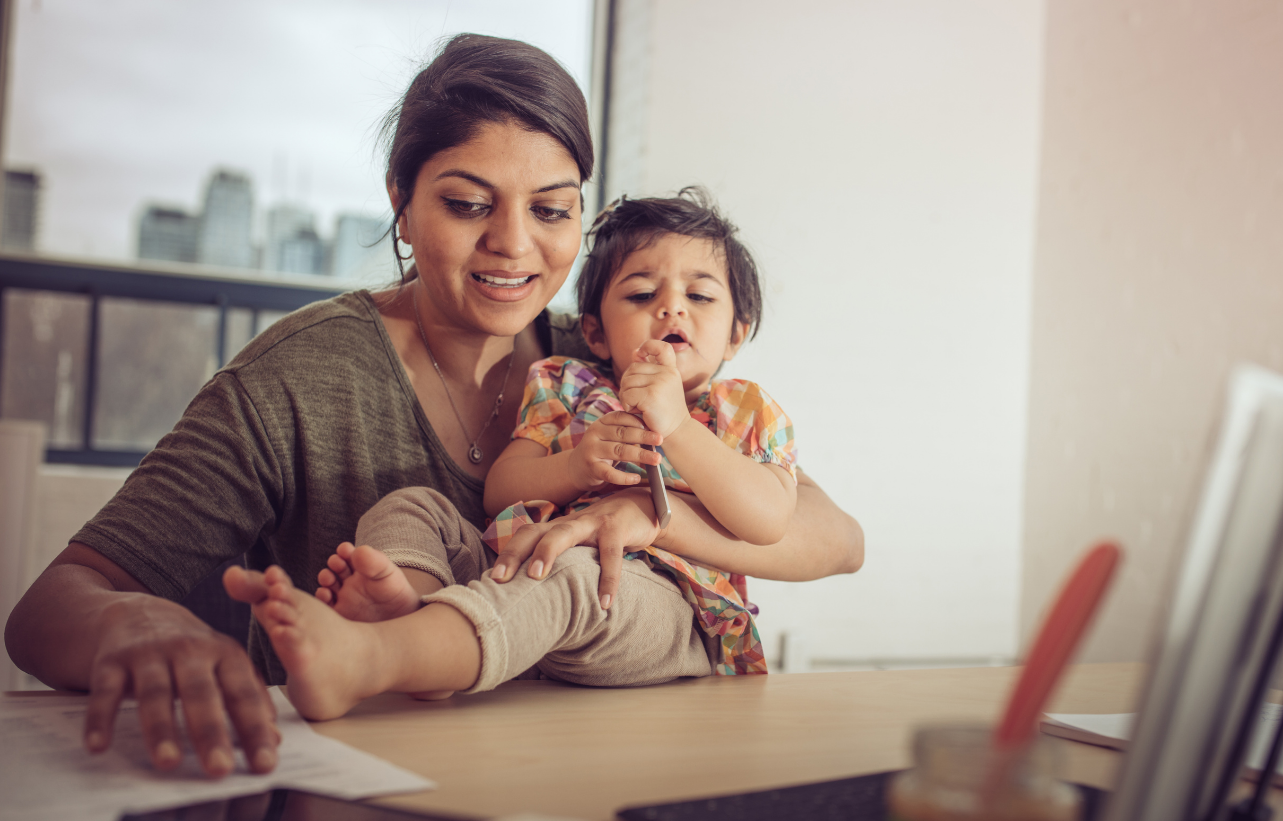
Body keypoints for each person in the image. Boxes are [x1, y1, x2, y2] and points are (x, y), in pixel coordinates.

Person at [4, 34, 863, 776]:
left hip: (569, 771)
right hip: (365, 789)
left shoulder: (608, 352)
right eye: (466, 203)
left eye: (552, 210)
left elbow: (831, 536)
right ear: (401, 205)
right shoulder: (303, 378)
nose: (514, 246)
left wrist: (649, 519)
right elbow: (52, 607)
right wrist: (144, 626)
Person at [245, 190, 796, 721]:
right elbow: (501, 489)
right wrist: (574, 466)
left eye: (699, 296)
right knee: (414, 507)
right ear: (595, 334)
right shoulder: (566, 382)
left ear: (734, 337)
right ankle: (417, 613)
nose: (671, 307)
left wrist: (675, 423)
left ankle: (377, 657)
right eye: (640, 295)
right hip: (513, 567)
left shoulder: (742, 408)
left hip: (658, 602)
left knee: (574, 572)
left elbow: (768, 519)